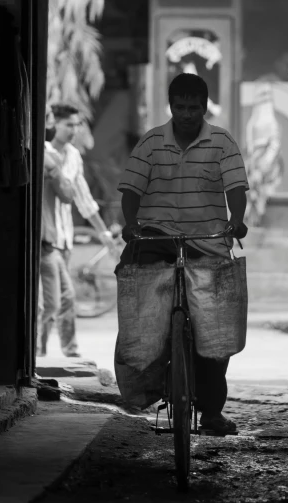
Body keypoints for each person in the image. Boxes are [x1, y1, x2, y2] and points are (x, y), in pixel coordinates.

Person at [118, 73, 248, 435]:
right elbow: (130, 189)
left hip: (209, 243)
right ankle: (145, 387)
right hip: (156, 239)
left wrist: (236, 219)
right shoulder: (151, 142)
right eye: (181, 106)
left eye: (194, 107)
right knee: (140, 315)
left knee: (215, 334)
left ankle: (212, 413)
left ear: (204, 107)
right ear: (170, 106)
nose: (187, 113)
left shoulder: (222, 141)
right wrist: (131, 223)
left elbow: (236, 186)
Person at [38, 104, 112, 357]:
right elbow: (67, 195)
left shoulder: (72, 155)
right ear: (53, 124)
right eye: (68, 124)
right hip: (44, 239)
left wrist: (103, 233)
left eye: (76, 125)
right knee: (54, 300)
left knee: (59, 299)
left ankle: (62, 351)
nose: (74, 130)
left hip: (64, 238)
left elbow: (83, 198)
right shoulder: (43, 154)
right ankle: (40, 353)